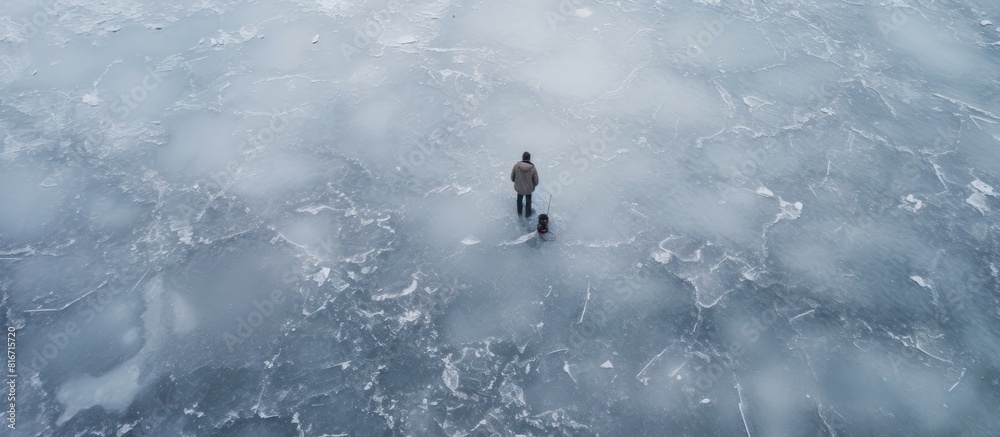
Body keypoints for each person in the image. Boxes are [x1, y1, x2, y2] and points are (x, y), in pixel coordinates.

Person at [511, 151, 539, 216]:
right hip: (529, 190)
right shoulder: (533, 168)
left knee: (519, 200)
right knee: (528, 201)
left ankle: (519, 213)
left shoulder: (516, 166)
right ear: (529, 158)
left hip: (519, 188)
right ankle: (528, 214)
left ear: (522, 158)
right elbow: (536, 181)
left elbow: (512, 178)